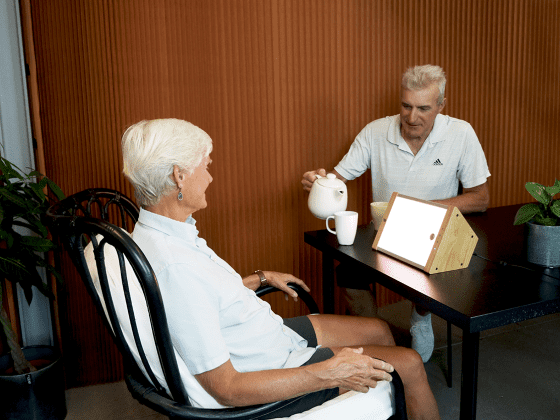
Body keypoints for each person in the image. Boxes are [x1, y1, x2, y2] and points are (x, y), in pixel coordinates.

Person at [121, 118, 441, 419]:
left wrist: (258, 278)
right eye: (206, 167)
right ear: (179, 175)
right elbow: (225, 388)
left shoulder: (161, 233)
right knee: (410, 364)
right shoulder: (175, 265)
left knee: (379, 330)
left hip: (263, 338)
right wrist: (322, 372)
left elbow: (198, 301)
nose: (210, 177)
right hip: (270, 367)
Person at [302, 64, 491, 363]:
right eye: (406, 106)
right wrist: (318, 182)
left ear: (441, 106)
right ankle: (376, 334)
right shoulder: (376, 131)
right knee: (348, 272)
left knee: (429, 275)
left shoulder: (461, 133)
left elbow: (480, 198)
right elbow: (337, 177)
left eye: (423, 108)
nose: (412, 117)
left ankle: (420, 317)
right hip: (384, 233)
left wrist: (422, 210)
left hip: (432, 234)